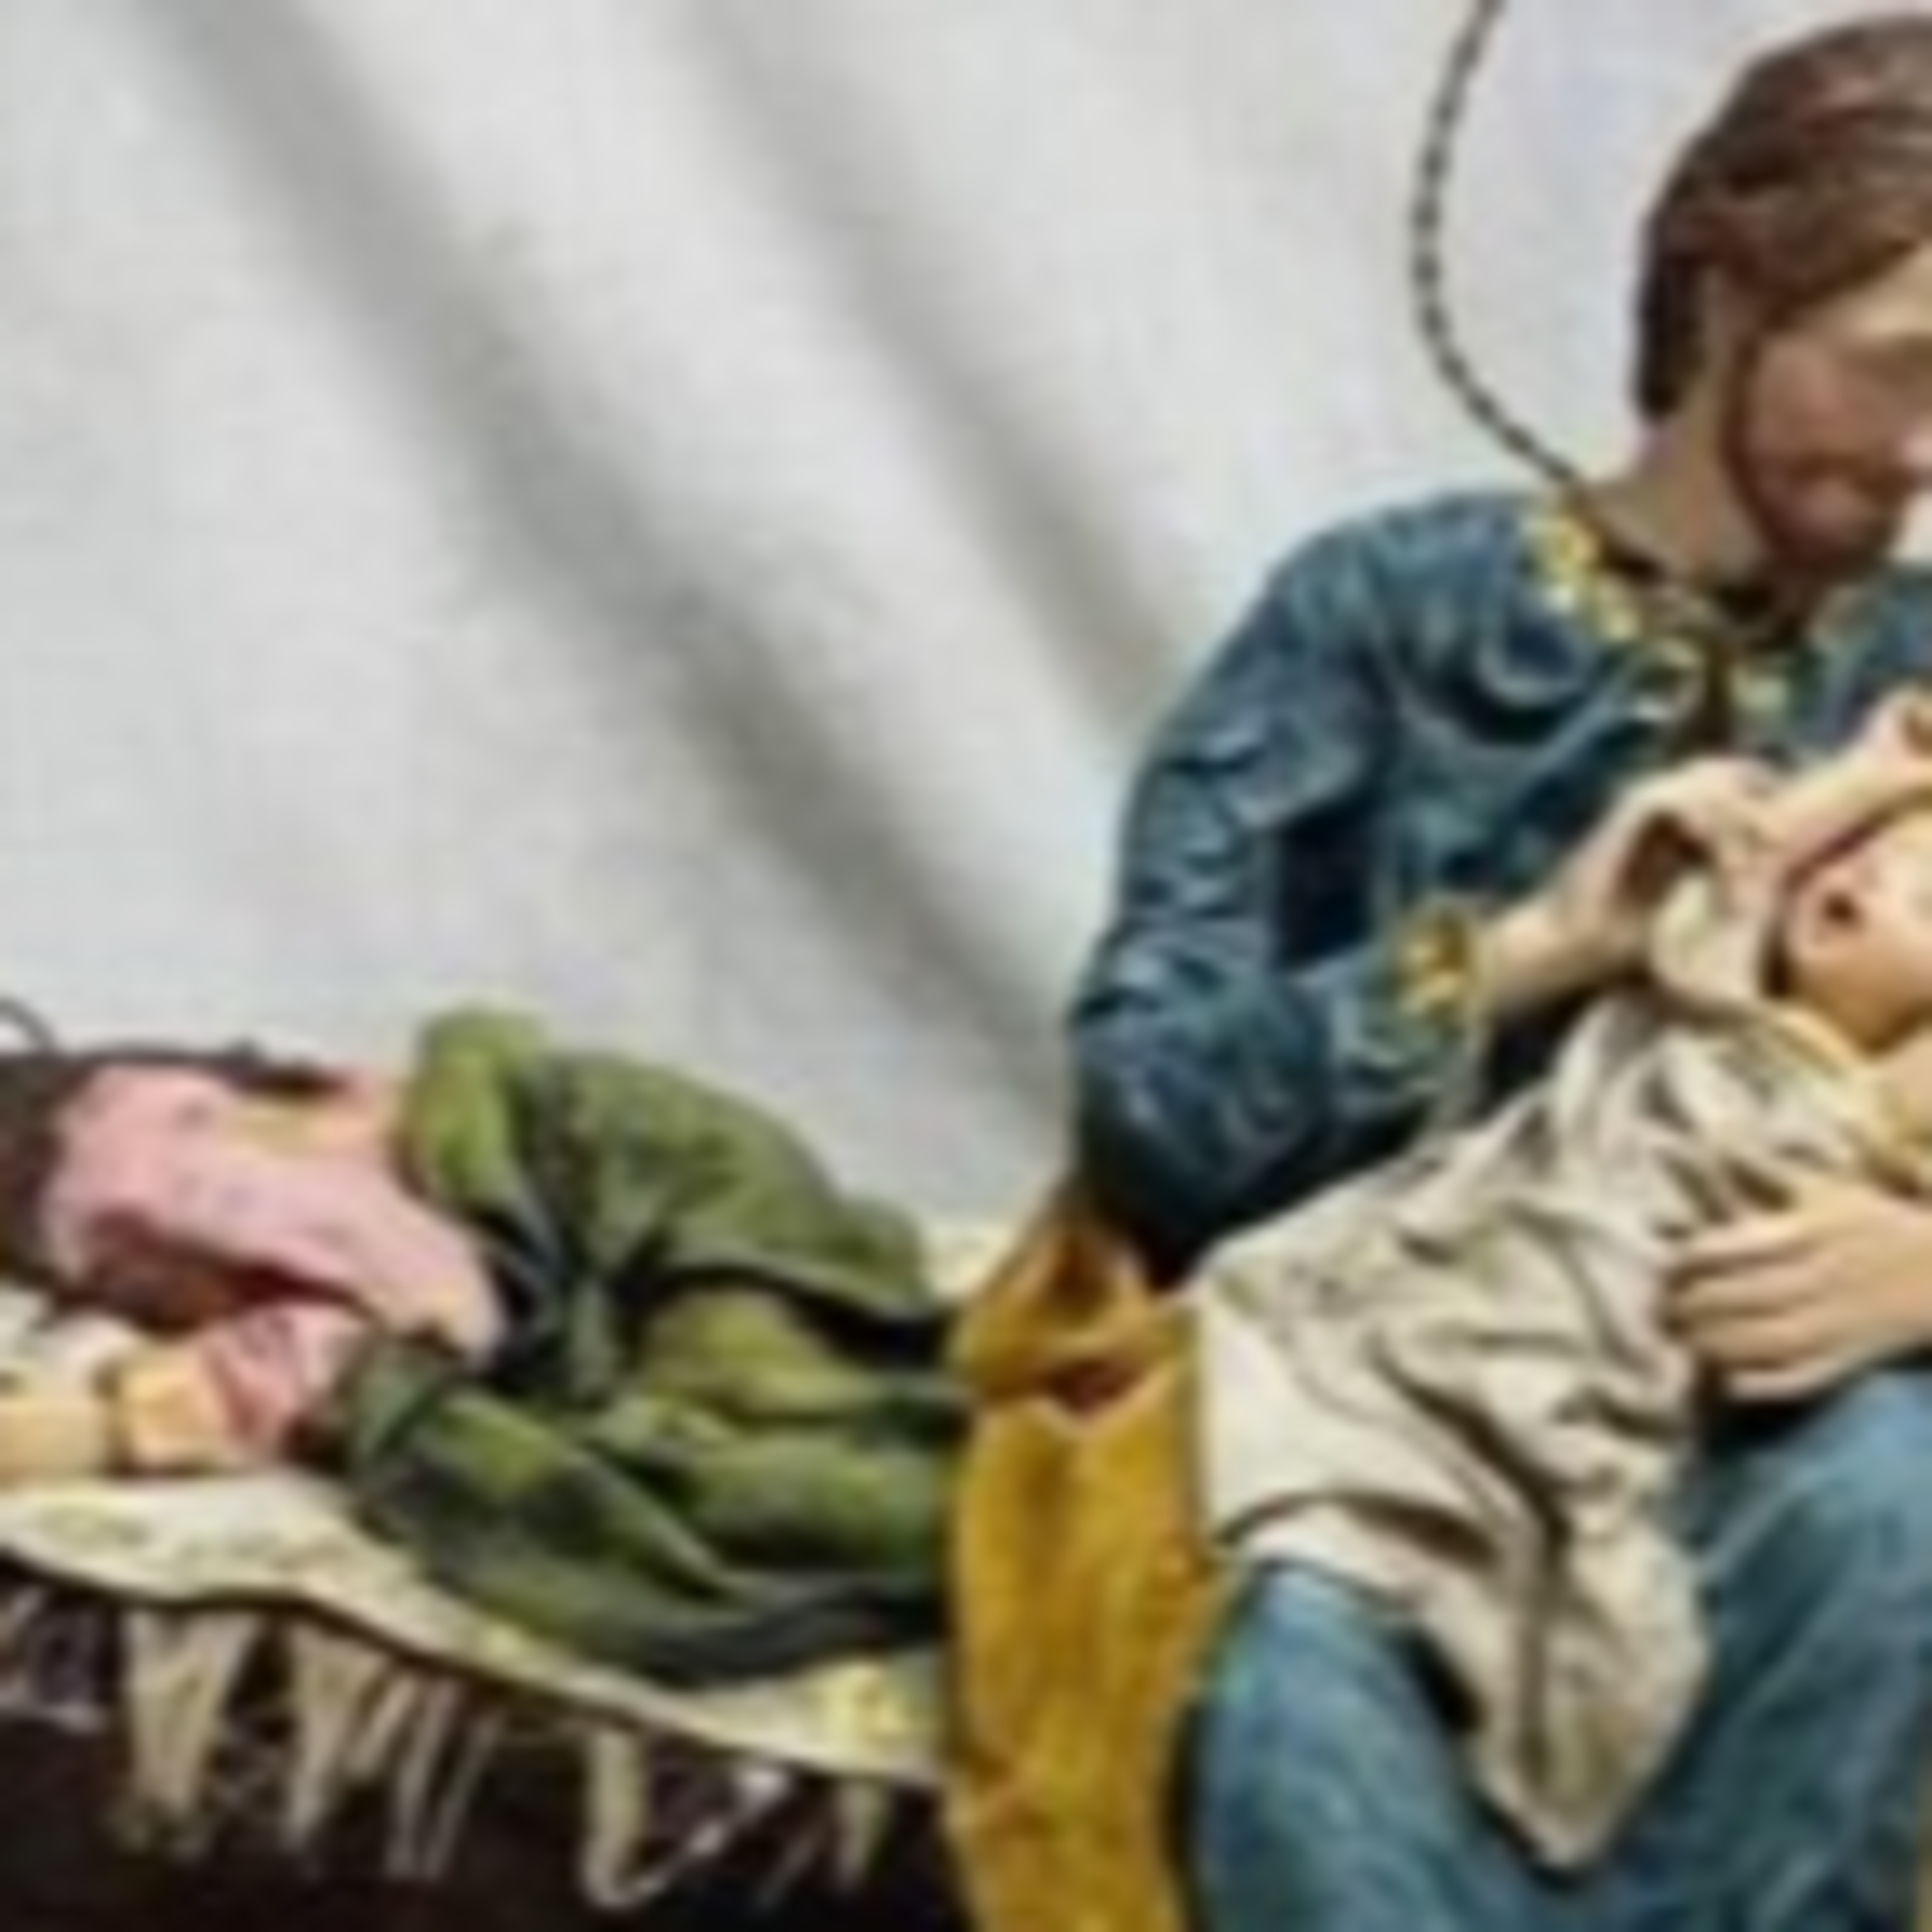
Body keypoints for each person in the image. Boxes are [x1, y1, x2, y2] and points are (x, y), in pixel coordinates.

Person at [1065, 14, 1932, 1931]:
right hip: (1374, 1393)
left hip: (1759, 1403)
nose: (1929, 454)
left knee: (1894, 1524)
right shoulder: (1382, 612)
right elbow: (1150, 1112)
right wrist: (1534, 950)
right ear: (1728, 295)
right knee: (1295, 1688)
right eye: (1903, 367)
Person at [1198, 697, 1932, 1873]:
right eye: (1871, 857)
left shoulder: (1865, 1115)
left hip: (1606, 1393)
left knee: (1613, 1616)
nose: (1871, 879)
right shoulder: (1715, 994)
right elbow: (1728, 876)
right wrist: (1865, 777)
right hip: (1440, 1289)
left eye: (1923, 902)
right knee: (1299, 1651)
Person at [0, 1005, 964, 1686]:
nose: (232, 1271)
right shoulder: (363, 1272)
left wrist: (157, 1415)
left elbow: (750, 1512)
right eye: (135, 1277)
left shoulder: (627, 1144)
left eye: (204, 1197)